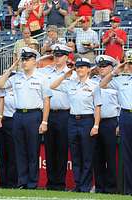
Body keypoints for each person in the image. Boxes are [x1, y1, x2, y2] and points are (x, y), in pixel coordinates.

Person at [0, 47, 52, 189]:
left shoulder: (42, 78)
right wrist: (11, 68)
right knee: (19, 151)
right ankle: (22, 182)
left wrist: (44, 121)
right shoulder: (16, 78)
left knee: (33, 151)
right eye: (23, 59)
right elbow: (0, 84)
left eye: (27, 59)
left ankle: (32, 183)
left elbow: (46, 101)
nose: (24, 62)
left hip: (34, 115)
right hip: (18, 115)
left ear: (34, 61)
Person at [51, 57, 102, 192]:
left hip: (87, 120)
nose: (79, 69)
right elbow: (52, 86)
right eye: (78, 67)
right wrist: (64, 75)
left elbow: (97, 107)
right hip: (72, 120)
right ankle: (78, 185)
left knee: (86, 155)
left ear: (88, 69)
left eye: (82, 67)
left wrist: (96, 125)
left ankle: (86, 186)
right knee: (75, 155)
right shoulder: (70, 84)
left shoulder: (94, 86)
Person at [39, 44, 74, 191]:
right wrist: (46, 56)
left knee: (61, 150)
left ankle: (59, 183)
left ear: (66, 57)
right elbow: (33, 63)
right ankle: (50, 182)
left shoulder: (73, 73)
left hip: (65, 114)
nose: (57, 58)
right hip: (49, 114)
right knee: (50, 149)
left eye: (60, 55)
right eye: (55, 55)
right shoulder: (46, 71)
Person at [99, 50, 132, 195]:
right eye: (128, 63)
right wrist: (114, 72)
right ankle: (129, 190)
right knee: (127, 155)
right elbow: (102, 84)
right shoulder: (120, 80)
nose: (129, 66)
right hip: (126, 116)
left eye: (131, 63)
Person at [93, 55, 120, 194]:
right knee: (97, 157)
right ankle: (99, 186)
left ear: (111, 67)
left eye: (105, 66)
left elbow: (122, 105)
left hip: (110, 121)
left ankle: (111, 188)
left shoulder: (117, 83)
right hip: (94, 123)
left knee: (110, 157)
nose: (102, 69)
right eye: (100, 66)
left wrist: (119, 124)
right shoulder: (92, 81)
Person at [0, 79, 18, 188]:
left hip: (12, 121)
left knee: (12, 153)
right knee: (2, 154)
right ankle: (2, 182)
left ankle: (12, 182)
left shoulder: (17, 91)